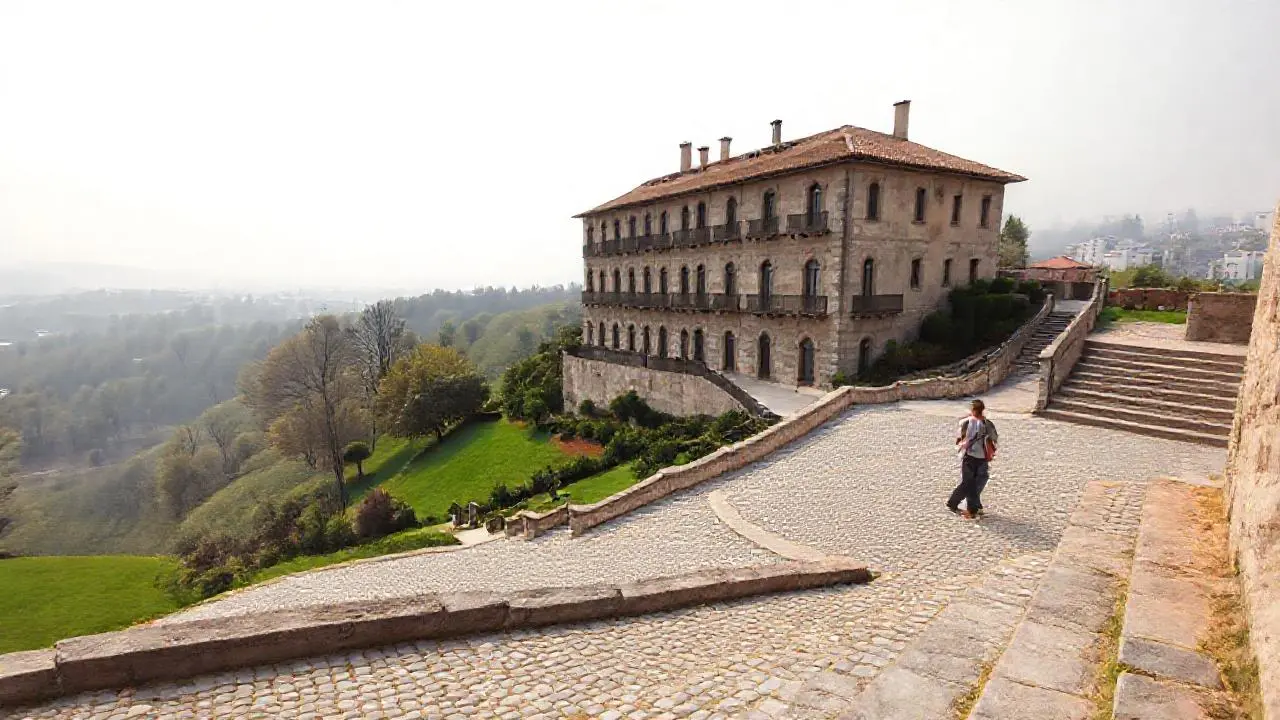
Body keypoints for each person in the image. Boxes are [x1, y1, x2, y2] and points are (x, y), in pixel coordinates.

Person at [948, 399, 997, 519]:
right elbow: (994, 437)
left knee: (968, 483)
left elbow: (959, 439)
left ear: (973, 410)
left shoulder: (966, 422)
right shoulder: (987, 424)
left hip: (969, 456)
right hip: (982, 458)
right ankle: (972, 508)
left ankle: (957, 503)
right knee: (978, 482)